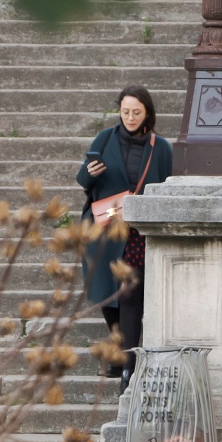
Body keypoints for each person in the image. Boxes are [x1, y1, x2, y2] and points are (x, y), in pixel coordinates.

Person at [77, 86, 172, 383]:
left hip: (137, 232)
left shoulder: (161, 147)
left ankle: (128, 369)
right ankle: (120, 350)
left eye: (136, 112)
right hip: (104, 228)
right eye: (125, 111)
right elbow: (83, 181)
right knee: (106, 292)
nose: (130, 118)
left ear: (148, 113)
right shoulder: (105, 139)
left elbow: (170, 187)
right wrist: (89, 173)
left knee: (129, 294)